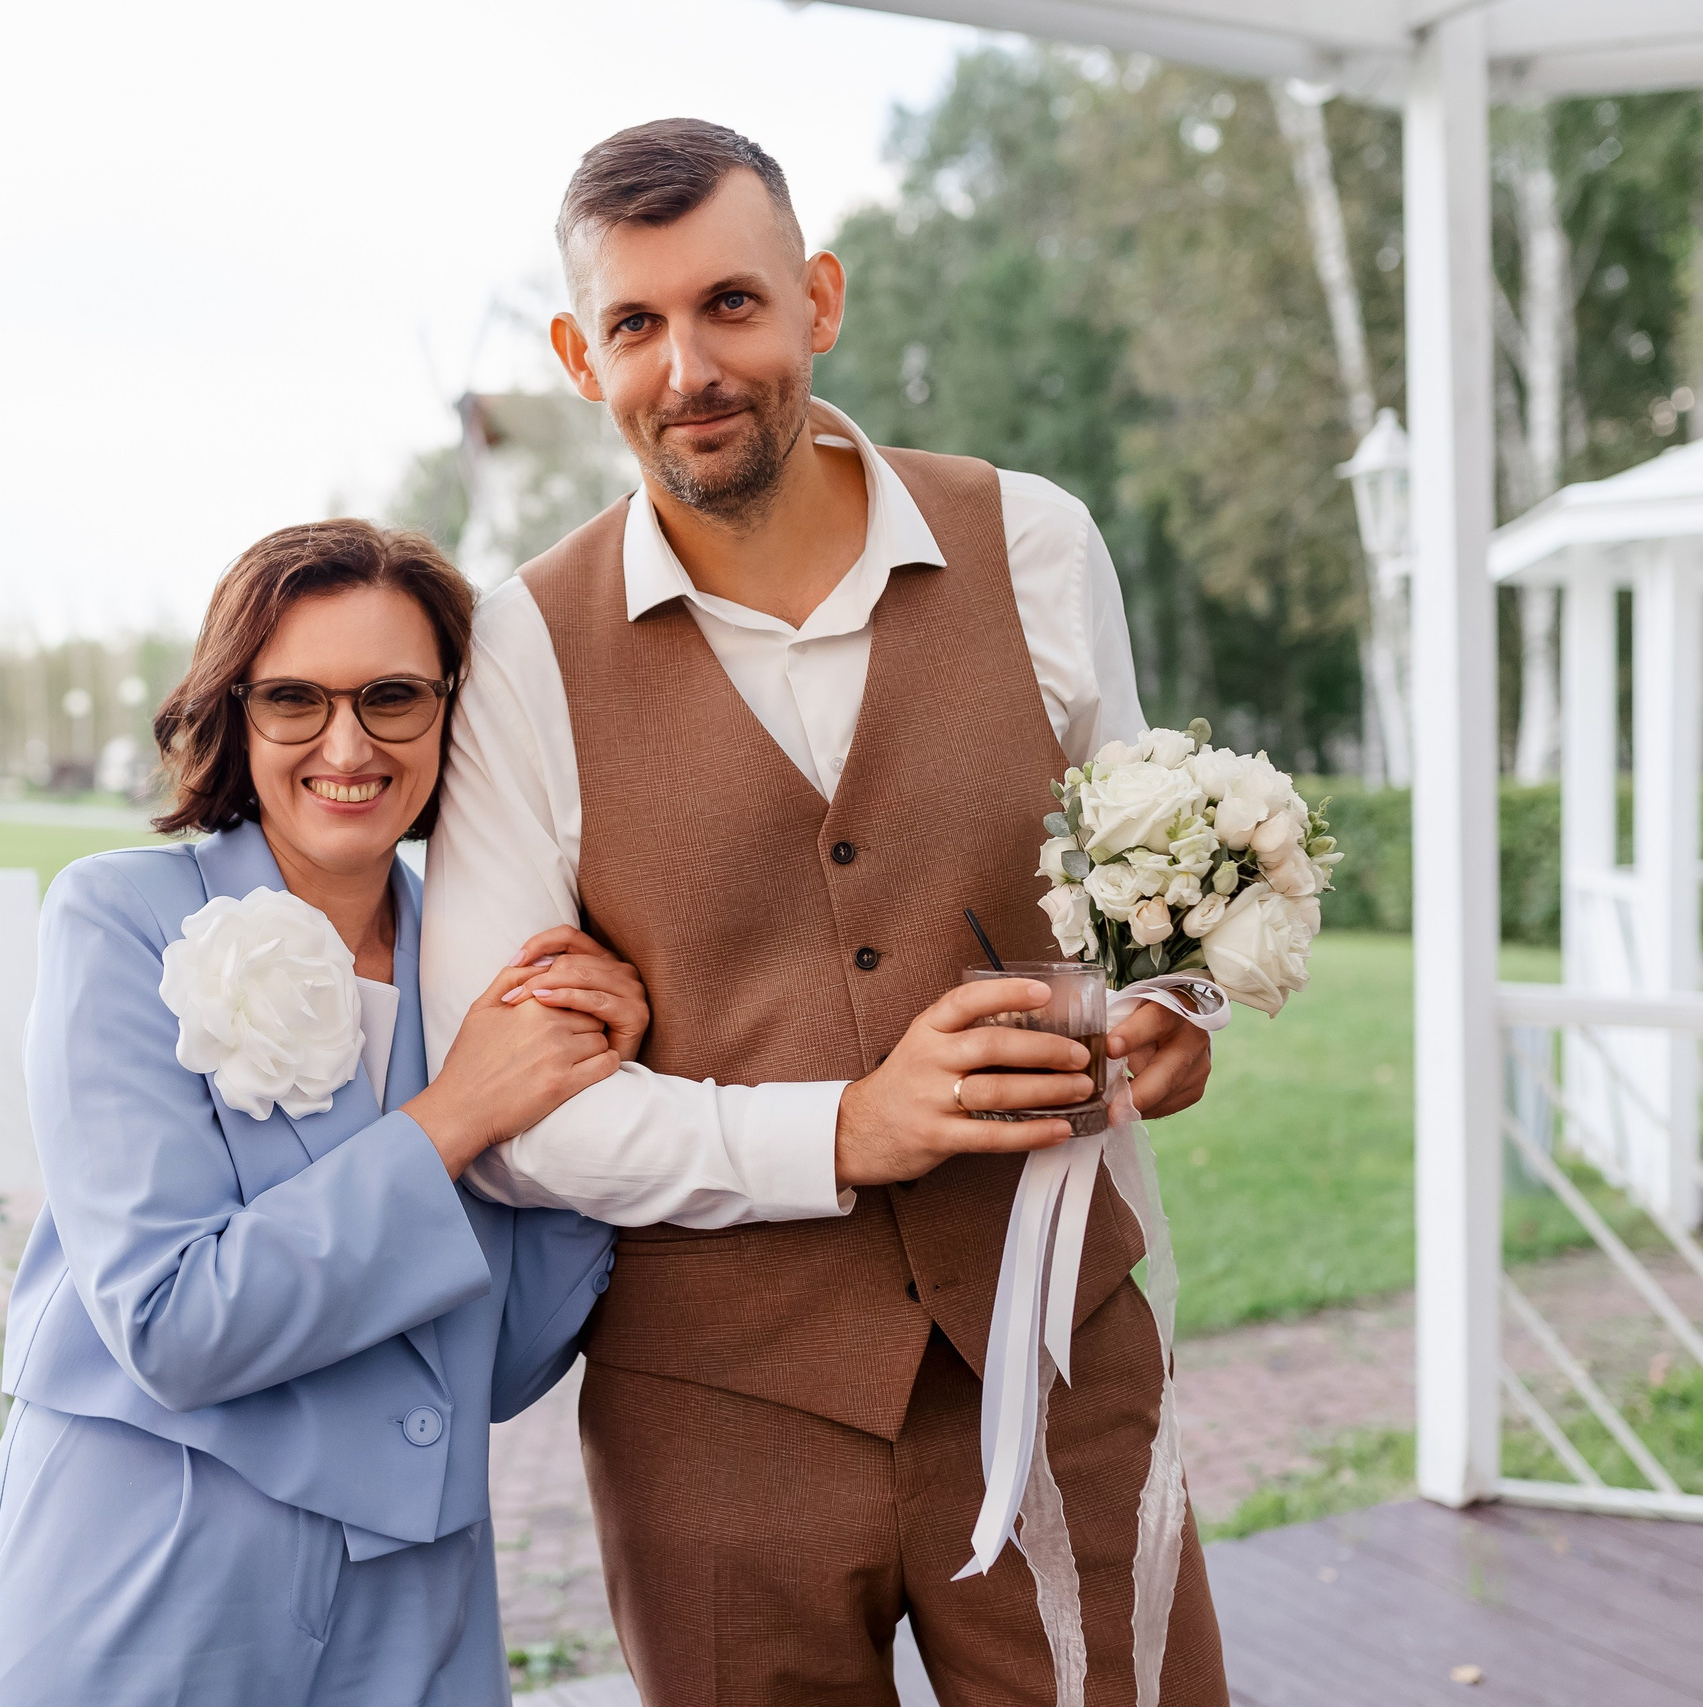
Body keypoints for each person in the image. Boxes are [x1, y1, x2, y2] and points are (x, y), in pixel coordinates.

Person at [422, 121, 1227, 1705]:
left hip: (1057, 1354)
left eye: (732, 304)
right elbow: (513, 1110)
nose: (689, 366)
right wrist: (846, 1127)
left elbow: (1148, 886)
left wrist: (1177, 1009)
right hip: (714, 1413)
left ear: (819, 301)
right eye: (637, 325)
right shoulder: (519, 648)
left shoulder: (1038, 544)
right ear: (583, 355)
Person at [0, 520, 638, 1706]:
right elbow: (173, 1321)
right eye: (292, 700)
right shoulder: (118, 921)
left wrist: (594, 1095)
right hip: (151, 1581)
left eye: (392, 696)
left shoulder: (481, 963)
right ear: (234, 710)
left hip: (415, 1611)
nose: (347, 743)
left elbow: (488, 1371)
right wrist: (452, 1115)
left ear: (450, 713)